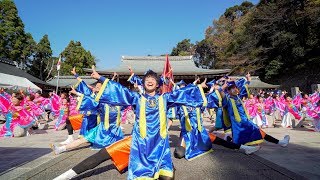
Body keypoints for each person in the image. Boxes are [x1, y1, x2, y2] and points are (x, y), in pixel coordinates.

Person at [54, 67, 208, 180]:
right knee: (103, 154)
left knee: (167, 177)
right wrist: (100, 78)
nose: (150, 80)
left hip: (159, 148)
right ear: (143, 83)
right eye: (147, 78)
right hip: (137, 143)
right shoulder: (136, 99)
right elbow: (120, 90)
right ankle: (65, 176)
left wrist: (197, 88)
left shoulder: (165, 99)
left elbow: (182, 93)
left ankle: (159, 168)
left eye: (153, 79)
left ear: (158, 84)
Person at [217, 73, 290, 147]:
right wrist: (225, 85)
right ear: (228, 91)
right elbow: (220, 91)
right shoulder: (228, 100)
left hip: (245, 121)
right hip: (238, 123)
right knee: (243, 138)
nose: (235, 89)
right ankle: (280, 142)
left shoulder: (238, 97)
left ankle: (280, 142)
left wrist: (247, 80)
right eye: (231, 88)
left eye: (235, 87)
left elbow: (244, 87)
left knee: (249, 136)